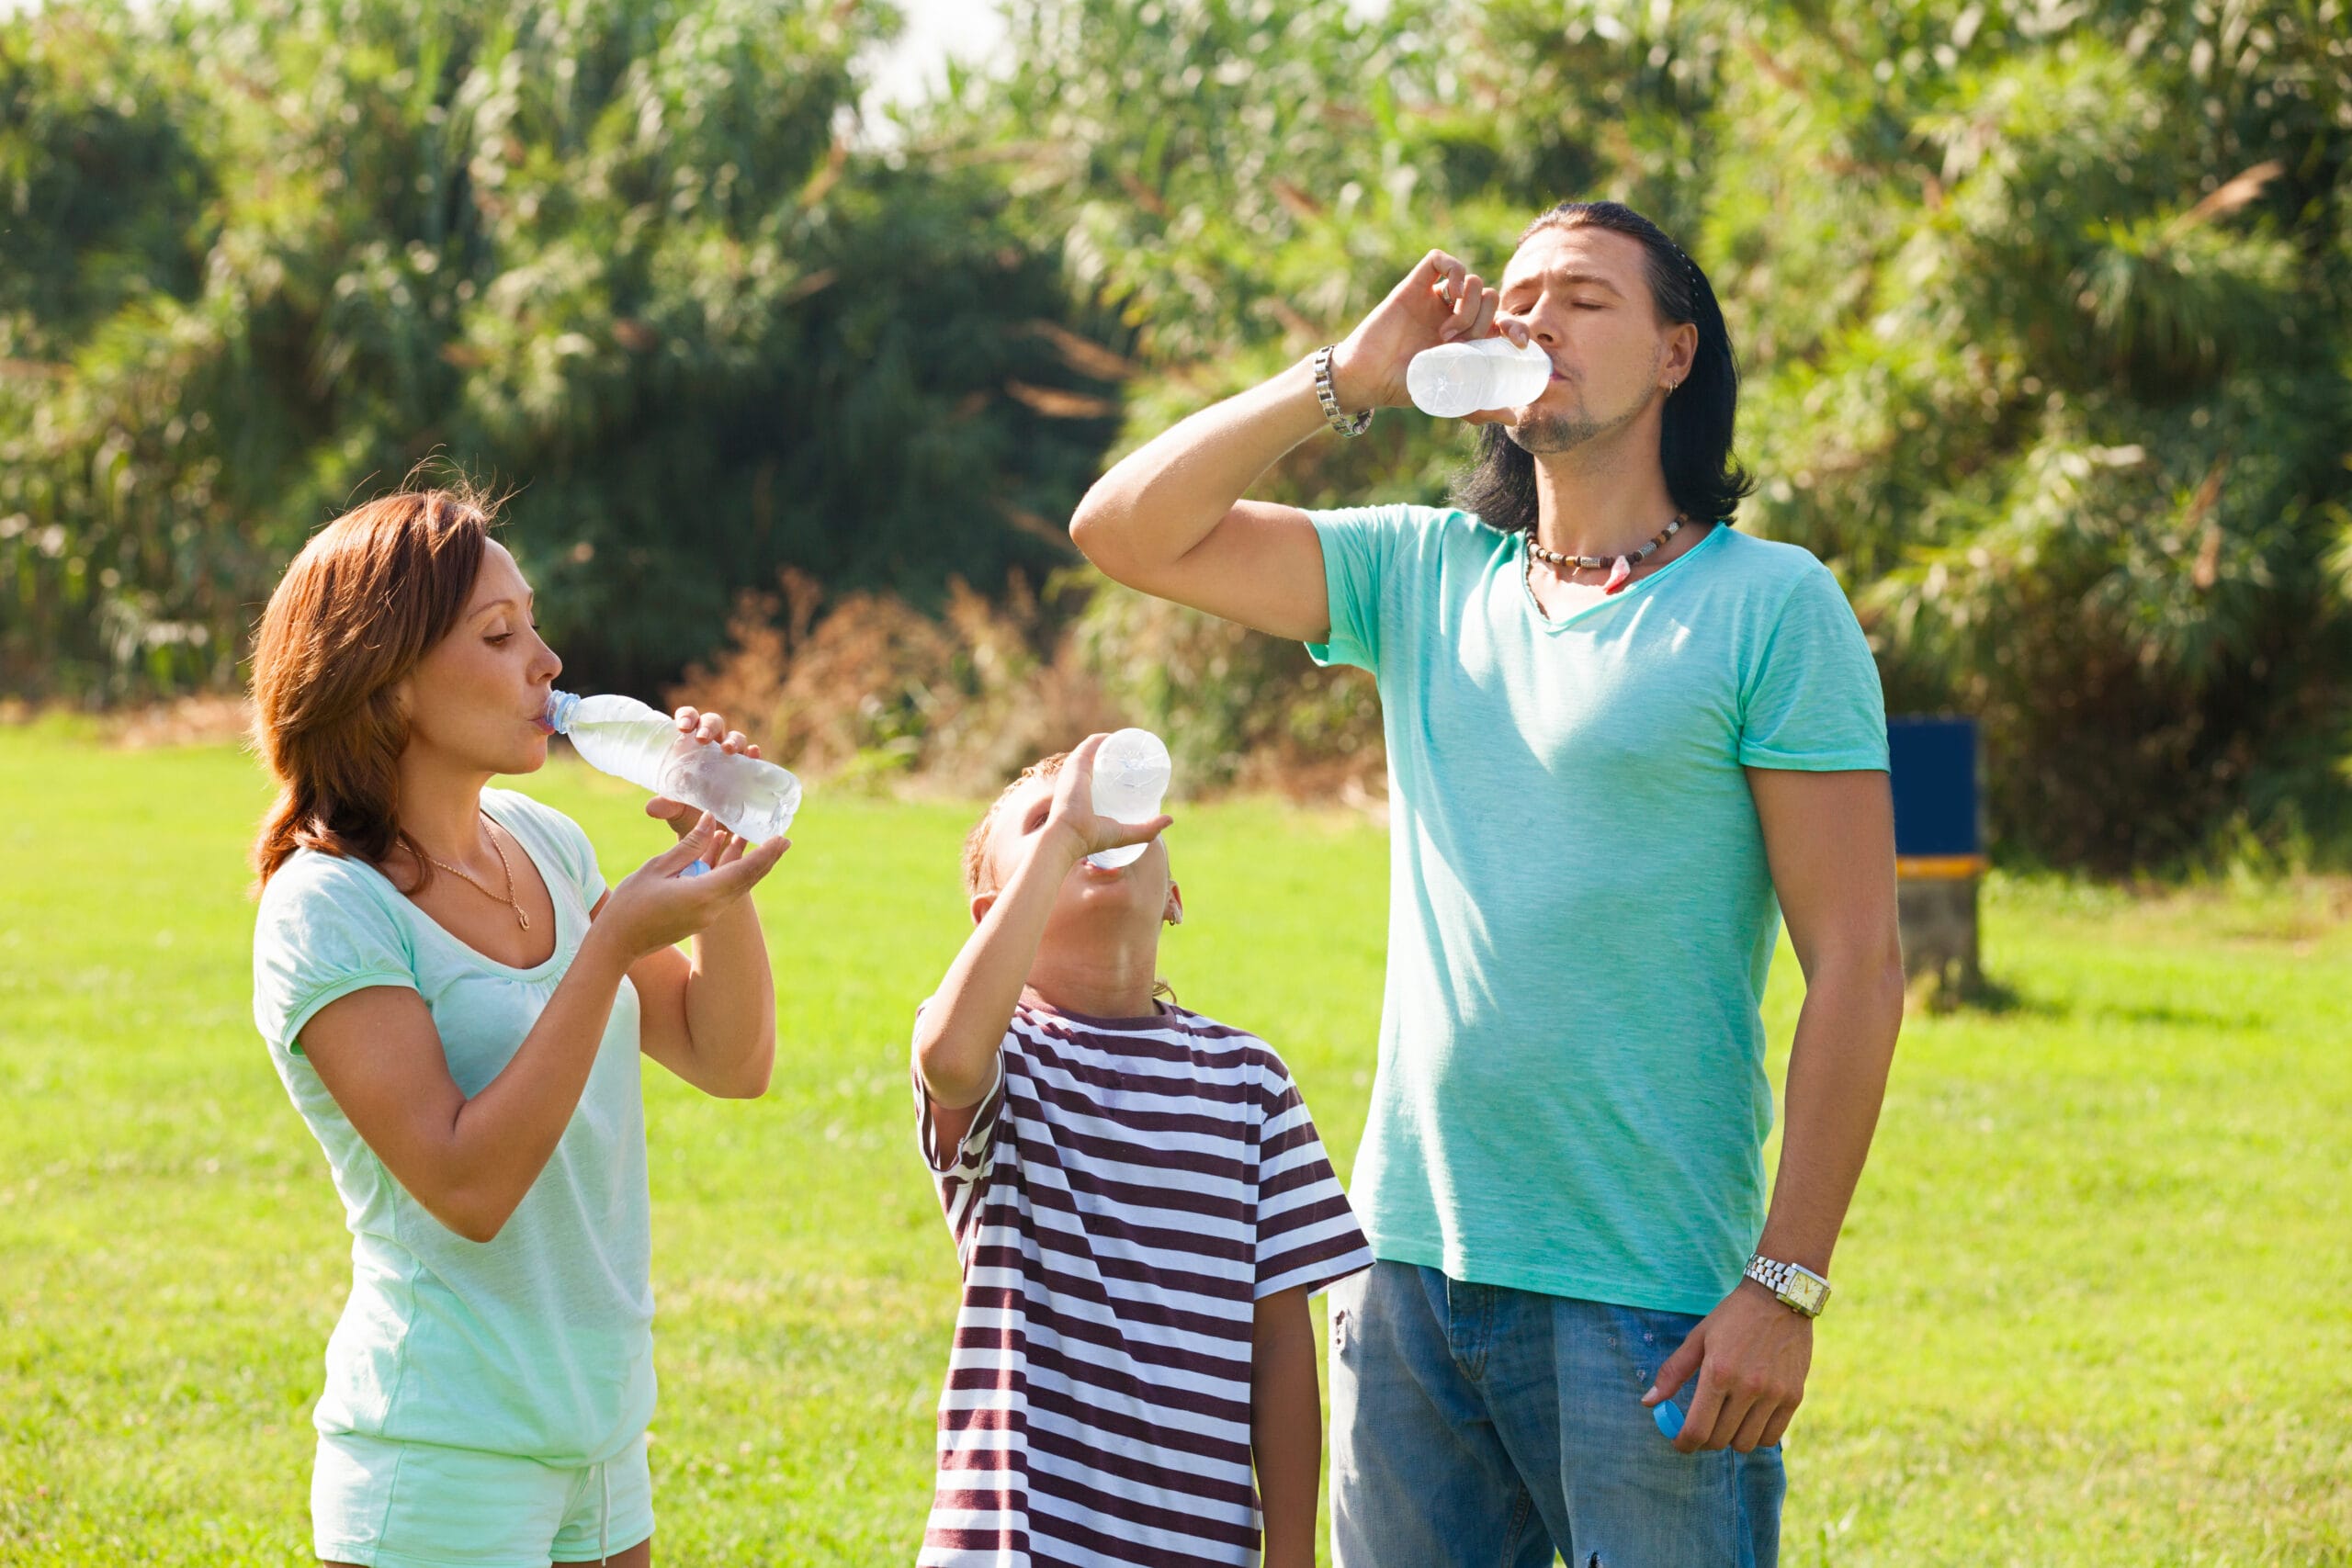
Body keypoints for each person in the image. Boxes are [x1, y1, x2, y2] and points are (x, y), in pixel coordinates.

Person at [1068, 200, 1906, 1566]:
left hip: (1652, 1296)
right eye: (1517, 297)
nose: (1534, 317)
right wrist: (1347, 375)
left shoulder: (1773, 606)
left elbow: (1859, 969)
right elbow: (1124, 530)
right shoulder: (1420, 572)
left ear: (1676, 353)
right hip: (1407, 1273)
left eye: (1583, 295)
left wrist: (1785, 1283)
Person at [247, 487, 789, 1568]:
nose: (546, 662)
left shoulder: (547, 843)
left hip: (603, 1430)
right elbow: (468, 1188)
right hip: (444, 1449)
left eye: (533, 625)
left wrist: (716, 857)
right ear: (387, 678)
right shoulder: (329, 906)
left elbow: (729, 1058)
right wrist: (610, 946)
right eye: (499, 636)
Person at [910, 735, 1374, 1568]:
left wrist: (1292, 1554)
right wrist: (1063, 842)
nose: (1088, 827)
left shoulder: (1250, 1080)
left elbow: (1279, 1341)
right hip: (1020, 1543)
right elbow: (946, 1060)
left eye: (1109, 815)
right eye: (1047, 822)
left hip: (1202, 1544)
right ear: (993, 918)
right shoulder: (1005, 1054)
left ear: (1174, 899)